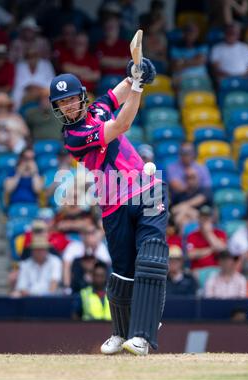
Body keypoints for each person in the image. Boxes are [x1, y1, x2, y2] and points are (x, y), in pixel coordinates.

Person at [49, 55, 169, 356]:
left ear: (82, 98)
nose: (68, 107)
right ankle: (120, 333)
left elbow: (122, 89)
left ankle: (142, 335)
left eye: (71, 99)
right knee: (122, 274)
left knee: (151, 258)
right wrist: (139, 88)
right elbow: (123, 123)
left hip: (146, 191)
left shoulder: (99, 108)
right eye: (61, 103)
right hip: (113, 203)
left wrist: (135, 73)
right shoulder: (73, 137)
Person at [187, 205, 227, 271]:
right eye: (202, 217)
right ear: (199, 218)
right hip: (198, 270)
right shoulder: (192, 235)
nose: (204, 220)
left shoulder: (220, 233)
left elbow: (222, 250)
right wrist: (211, 249)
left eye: (207, 217)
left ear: (211, 219)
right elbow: (190, 255)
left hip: (217, 270)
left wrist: (208, 233)